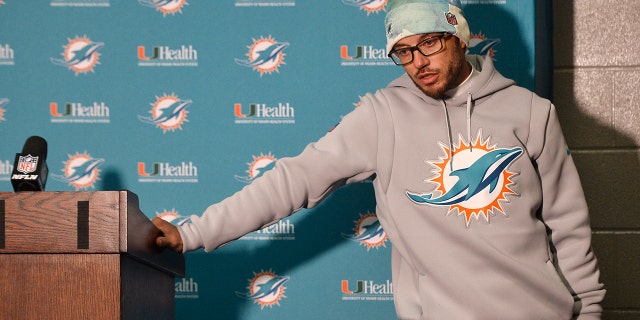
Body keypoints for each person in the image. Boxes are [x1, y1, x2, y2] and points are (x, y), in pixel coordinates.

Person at [152, 0, 606, 318]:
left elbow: (568, 225)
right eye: (403, 52)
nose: (418, 62)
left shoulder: (530, 111)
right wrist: (192, 232)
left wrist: (589, 313)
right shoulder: (382, 116)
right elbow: (291, 180)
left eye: (429, 43)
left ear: (459, 35)